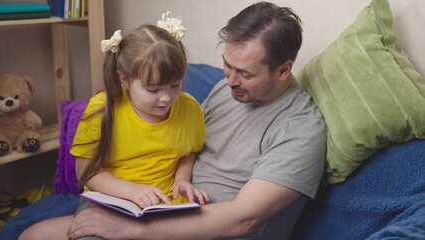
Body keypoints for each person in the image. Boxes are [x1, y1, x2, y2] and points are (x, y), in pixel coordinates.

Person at [20, 2, 327, 239]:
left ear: (284, 70)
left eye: (245, 73)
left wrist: (131, 229)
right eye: (227, 65)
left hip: (204, 230)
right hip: (159, 209)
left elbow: (242, 219)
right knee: (31, 235)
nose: (230, 79)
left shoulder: (301, 129)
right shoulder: (229, 90)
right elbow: (182, 145)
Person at [19, 14, 209, 240]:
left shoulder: (189, 108)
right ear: (124, 80)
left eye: (174, 85)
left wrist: (182, 180)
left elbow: (188, 152)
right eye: (153, 89)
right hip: (111, 200)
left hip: (163, 205)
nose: (166, 98)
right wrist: (133, 191)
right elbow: (87, 172)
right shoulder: (102, 109)